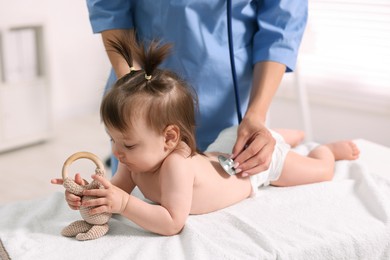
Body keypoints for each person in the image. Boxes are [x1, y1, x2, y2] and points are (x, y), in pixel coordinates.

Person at [51, 35, 360, 236]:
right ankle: (283, 135)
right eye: (114, 139)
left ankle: (326, 149)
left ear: (170, 139)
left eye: (128, 143)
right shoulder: (134, 160)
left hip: (251, 168)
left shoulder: (175, 164)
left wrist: (124, 204)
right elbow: (115, 193)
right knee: (233, 141)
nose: (117, 151)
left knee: (321, 171)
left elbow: (172, 221)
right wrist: (90, 195)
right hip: (223, 148)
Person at [86, 0, 309, 176]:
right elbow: (109, 7)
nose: (117, 149)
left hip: (229, 103)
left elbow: (281, 27)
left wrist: (256, 115)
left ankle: (320, 150)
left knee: (266, 166)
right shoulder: (135, 140)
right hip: (142, 96)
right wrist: (134, 95)